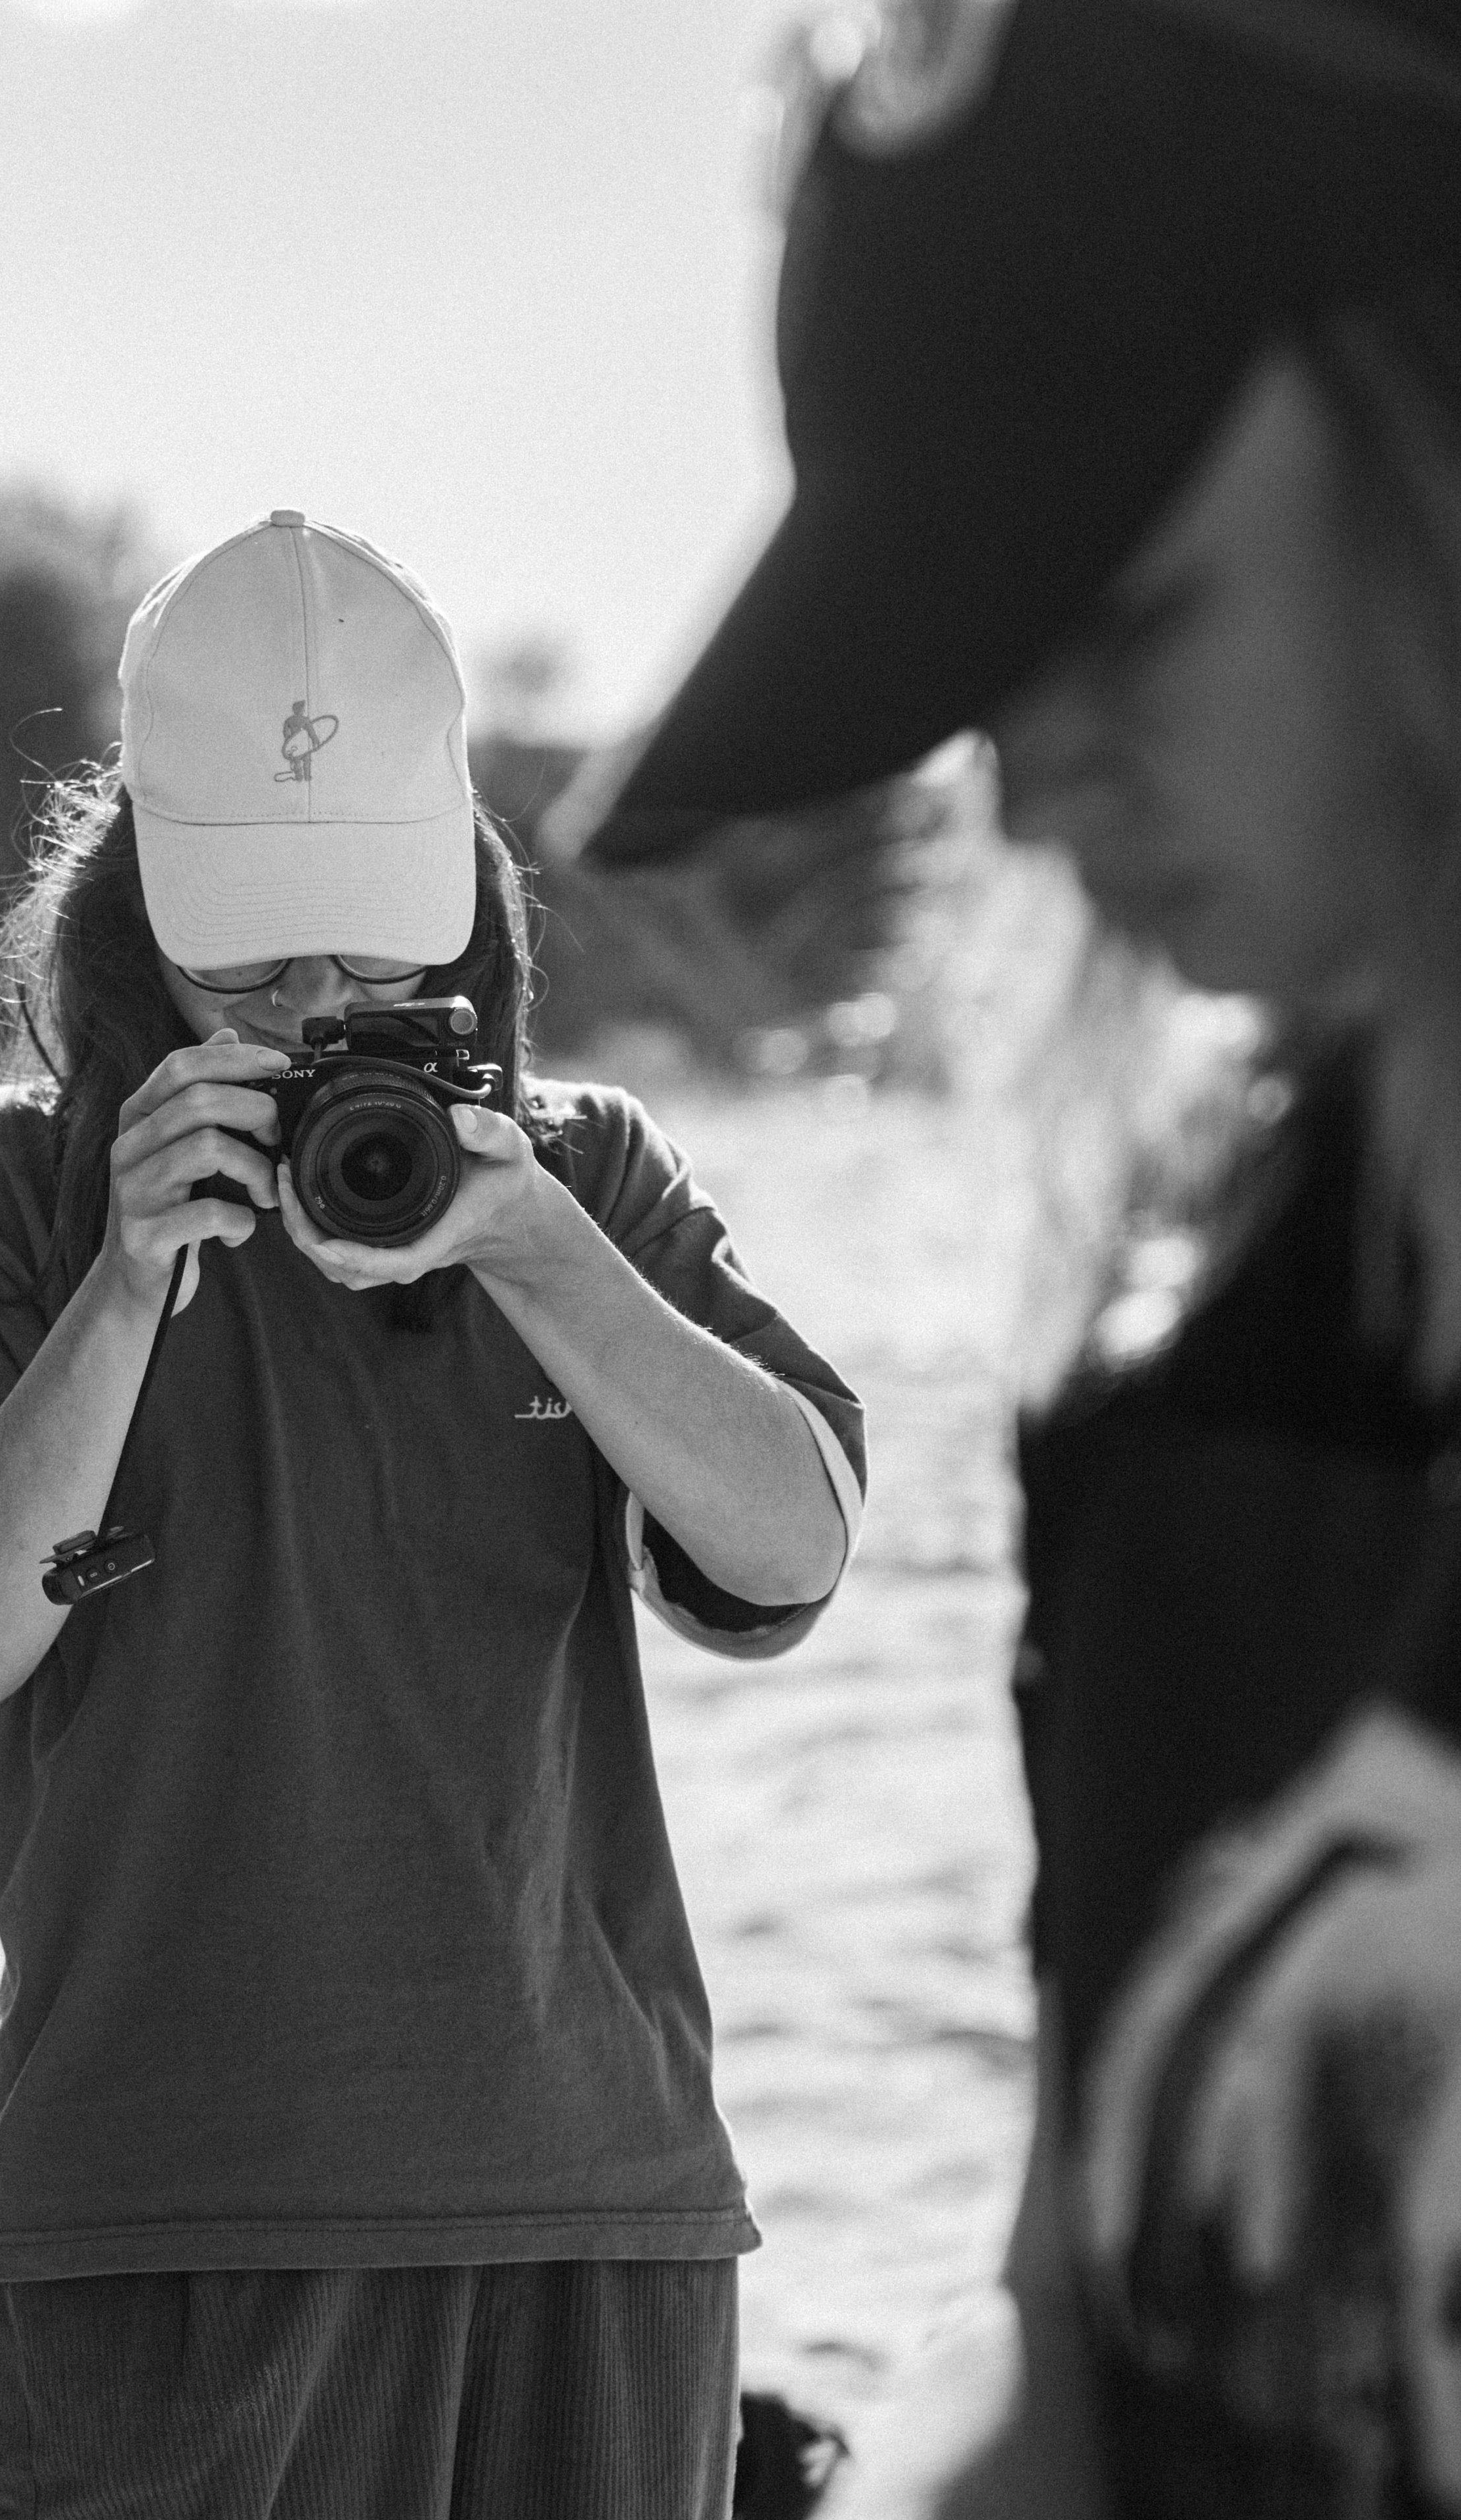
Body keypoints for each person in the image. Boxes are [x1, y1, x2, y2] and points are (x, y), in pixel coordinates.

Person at [582, 1, 1461, 2509]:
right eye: (978, 664)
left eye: (1124, 608)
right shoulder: (1197, 1361)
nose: (1030, 778)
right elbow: (1082, 2327)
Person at [0, 510, 866, 2520]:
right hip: (160, 2225)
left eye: (374, 943)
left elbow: (797, 1542)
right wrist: (126, 1285)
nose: (318, 998)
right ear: (140, 896)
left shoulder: (582, 1182)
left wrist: (543, 1251)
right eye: (260, 949)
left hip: (598, 2213)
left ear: (465, 893)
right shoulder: (8, 1205)